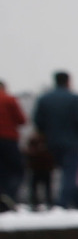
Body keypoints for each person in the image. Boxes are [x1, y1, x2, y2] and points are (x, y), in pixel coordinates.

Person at [31, 71, 78, 209]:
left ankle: (74, 202)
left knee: (58, 172)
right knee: (70, 173)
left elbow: (38, 121)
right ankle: (63, 203)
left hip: (52, 141)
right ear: (68, 81)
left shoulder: (44, 99)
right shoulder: (75, 99)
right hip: (72, 141)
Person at [0, 78, 25, 210]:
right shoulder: (9, 99)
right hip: (8, 139)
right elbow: (21, 120)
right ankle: (9, 195)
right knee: (16, 170)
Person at [24, 131, 56, 210]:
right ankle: (37, 202)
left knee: (39, 187)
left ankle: (37, 203)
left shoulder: (35, 141)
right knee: (41, 187)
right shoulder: (49, 141)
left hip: (40, 168)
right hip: (40, 168)